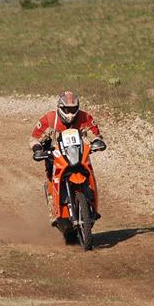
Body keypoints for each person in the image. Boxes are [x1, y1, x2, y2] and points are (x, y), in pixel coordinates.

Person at [29, 91, 106, 222]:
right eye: (67, 109)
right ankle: (53, 209)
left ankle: (93, 204)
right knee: (50, 175)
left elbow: (95, 133)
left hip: (79, 154)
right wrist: (37, 149)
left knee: (89, 171)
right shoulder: (49, 119)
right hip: (55, 154)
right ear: (60, 107)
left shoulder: (85, 117)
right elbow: (34, 138)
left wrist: (97, 141)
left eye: (73, 109)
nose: (70, 114)